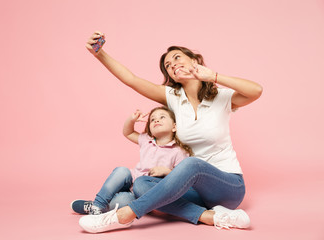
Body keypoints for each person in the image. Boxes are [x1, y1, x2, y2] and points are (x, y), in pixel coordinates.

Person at [78, 31, 263, 233]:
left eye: (177, 58)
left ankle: (125, 215)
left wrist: (212, 76)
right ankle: (211, 216)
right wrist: (99, 53)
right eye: (167, 65)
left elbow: (256, 90)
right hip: (194, 191)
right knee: (141, 185)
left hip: (228, 186)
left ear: (194, 61)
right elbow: (131, 79)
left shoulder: (221, 97)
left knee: (192, 164)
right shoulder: (172, 97)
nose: (172, 64)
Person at [72, 107, 192, 216]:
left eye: (162, 117)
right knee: (121, 171)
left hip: (141, 194)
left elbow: (183, 179)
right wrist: (132, 119)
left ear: (174, 127)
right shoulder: (147, 140)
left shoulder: (179, 151)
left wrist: (167, 171)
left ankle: (95, 206)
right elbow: (128, 132)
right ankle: (98, 204)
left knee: (123, 201)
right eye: (152, 119)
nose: (156, 120)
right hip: (130, 180)